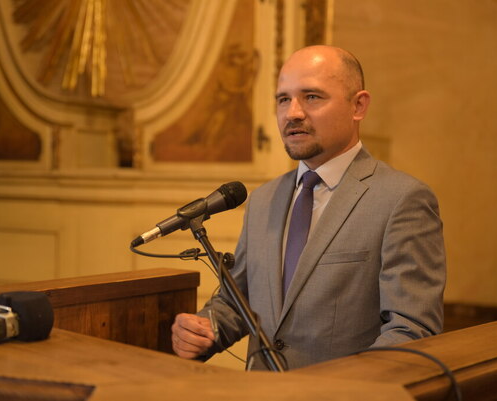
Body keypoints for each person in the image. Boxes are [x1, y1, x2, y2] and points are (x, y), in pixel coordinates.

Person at [171, 45, 446, 370]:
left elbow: (411, 330)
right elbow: (238, 298)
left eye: (312, 97)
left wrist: (335, 388)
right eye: (283, 99)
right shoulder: (263, 200)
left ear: (358, 105)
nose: (293, 113)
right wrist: (206, 328)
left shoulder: (402, 199)